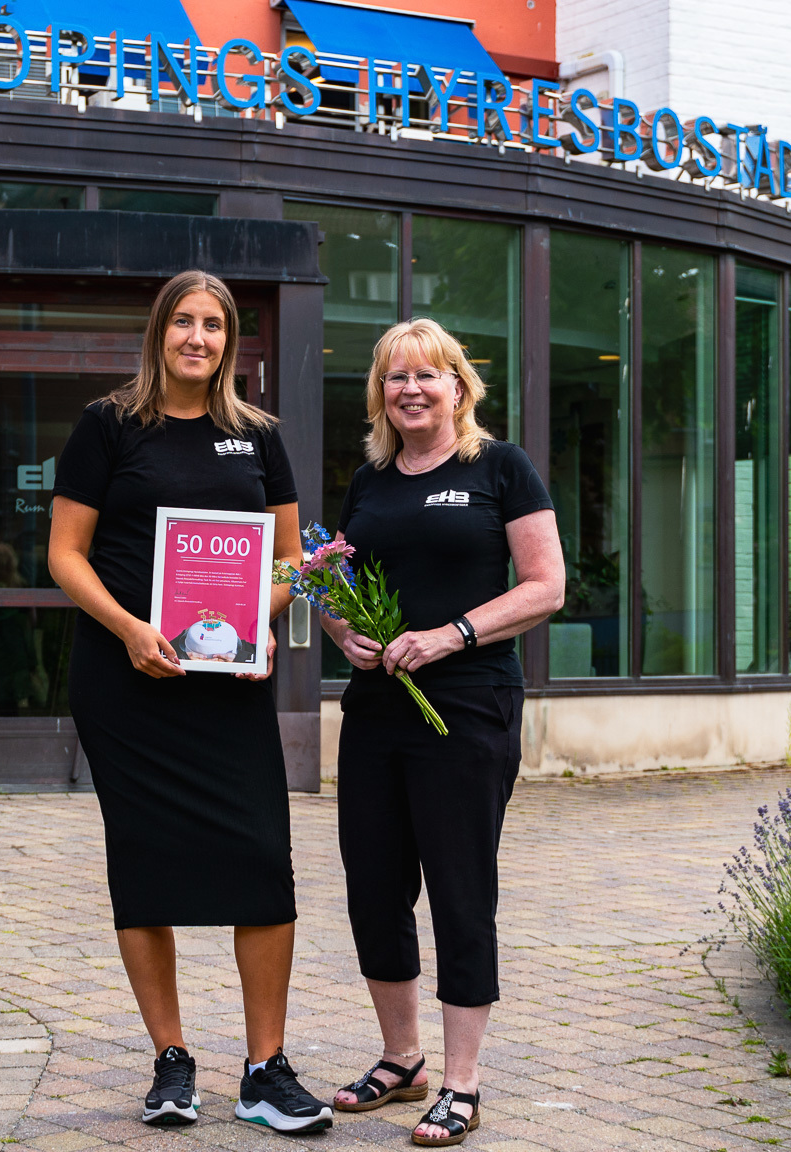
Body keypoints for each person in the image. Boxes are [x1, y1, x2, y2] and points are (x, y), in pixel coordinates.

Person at [47, 270, 332, 1133]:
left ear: (229, 340)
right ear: (159, 333)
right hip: (126, 685)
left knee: (261, 865)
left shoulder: (259, 438)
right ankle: (171, 1061)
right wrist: (132, 629)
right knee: (145, 866)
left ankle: (263, 1070)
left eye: (213, 325)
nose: (197, 338)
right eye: (183, 322)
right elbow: (65, 554)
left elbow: (293, 561)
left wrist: (264, 624)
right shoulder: (107, 426)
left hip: (229, 688)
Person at [321, 318, 565, 1147]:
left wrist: (450, 635)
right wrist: (341, 631)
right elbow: (338, 586)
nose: (412, 390)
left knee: (461, 889)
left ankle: (461, 1082)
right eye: (396, 377)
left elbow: (545, 587)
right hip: (378, 708)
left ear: (460, 387)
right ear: (380, 395)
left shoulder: (500, 468)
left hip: (466, 705)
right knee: (375, 886)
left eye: (429, 375)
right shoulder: (370, 481)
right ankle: (402, 1059)